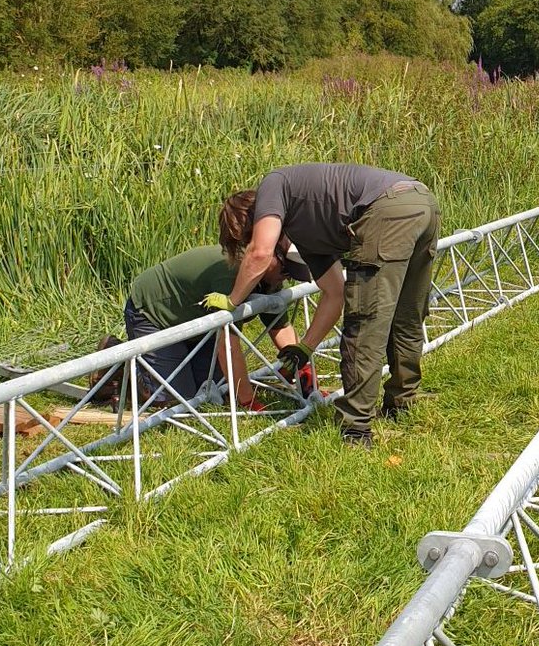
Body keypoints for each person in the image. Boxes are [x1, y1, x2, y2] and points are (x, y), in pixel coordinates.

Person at [218, 164, 440, 448]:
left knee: (365, 324)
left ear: (257, 216)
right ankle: (401, 405)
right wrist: (305, 347)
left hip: (385, 210)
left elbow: (259, 252)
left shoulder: (272, 184)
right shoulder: (311, 235)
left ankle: (355, 429)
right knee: (406, 315)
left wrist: (232, 301)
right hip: (422, 200)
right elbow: (334, 294)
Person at [102, 244, 344, 411]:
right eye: (284, 271)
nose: (285, 279)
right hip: (154, 314)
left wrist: (302, 370)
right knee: (180, 401)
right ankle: (120, 366)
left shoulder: (270, 278)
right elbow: (228, 342)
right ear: (271, 257)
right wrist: (248, 401)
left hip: (195, 324)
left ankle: (166, 359)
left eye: (291, 275)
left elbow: (279, 326)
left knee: (216, 389)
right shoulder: (234, 275)